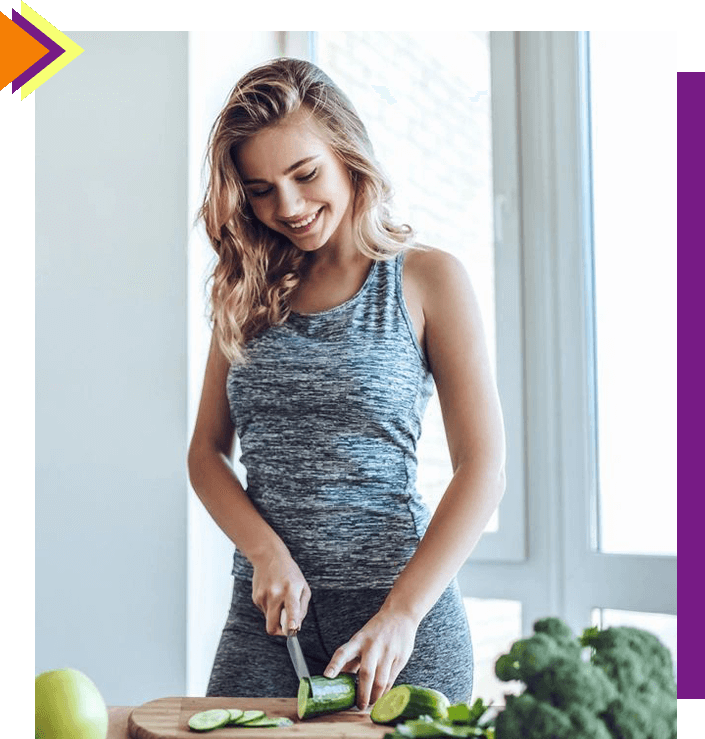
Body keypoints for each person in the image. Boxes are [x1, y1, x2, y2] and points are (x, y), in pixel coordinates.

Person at [188, 57, 506, 711]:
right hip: (266, 624)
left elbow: (484, 465)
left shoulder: (427, 280)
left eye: (305, 175)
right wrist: (264, 551)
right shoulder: (241, 289)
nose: (289, 206)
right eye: (260, 188)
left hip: (400, 619)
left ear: (346, 153)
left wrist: (403, 612)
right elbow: (205, 453)